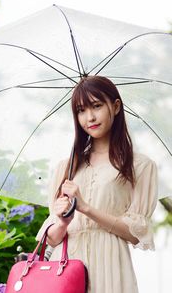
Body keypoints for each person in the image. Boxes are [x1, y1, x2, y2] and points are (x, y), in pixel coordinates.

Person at [36, 75, 158, 293]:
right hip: (64, 270)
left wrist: (85, 208)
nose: (89, 117)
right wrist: (63, 222)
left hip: (110, 266)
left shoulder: (140, 166)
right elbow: (52, 239)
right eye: (81, 110)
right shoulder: (67, 168)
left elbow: (135, 232)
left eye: (96, 106)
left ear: (116, 106)